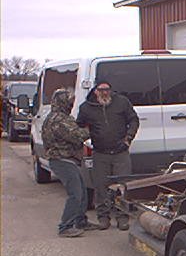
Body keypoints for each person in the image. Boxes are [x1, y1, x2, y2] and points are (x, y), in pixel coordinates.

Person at [77, 80, 139, 231]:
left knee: (123, 186)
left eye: (107, 89)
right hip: (100, 153)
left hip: (120, 152)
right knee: (101, 187)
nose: (105, 93)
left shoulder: (122, 102)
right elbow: (79, 126)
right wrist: (88, 138)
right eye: (101, 90)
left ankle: (122, 218)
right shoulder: (86, 107)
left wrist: (128, 139)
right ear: (95, 91)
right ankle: (103, 218)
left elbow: (133, 120)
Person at [42, 88, 100, 237]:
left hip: (69, 160)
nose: (72, 104)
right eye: (70, 101)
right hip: (62, 160)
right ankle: (65, 227)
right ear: (63, 102)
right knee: (76, 193)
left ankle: (80, 221)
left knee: (82, 191)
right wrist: (92, 128)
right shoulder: (59, 120)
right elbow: (77, 136)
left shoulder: (59, 117)